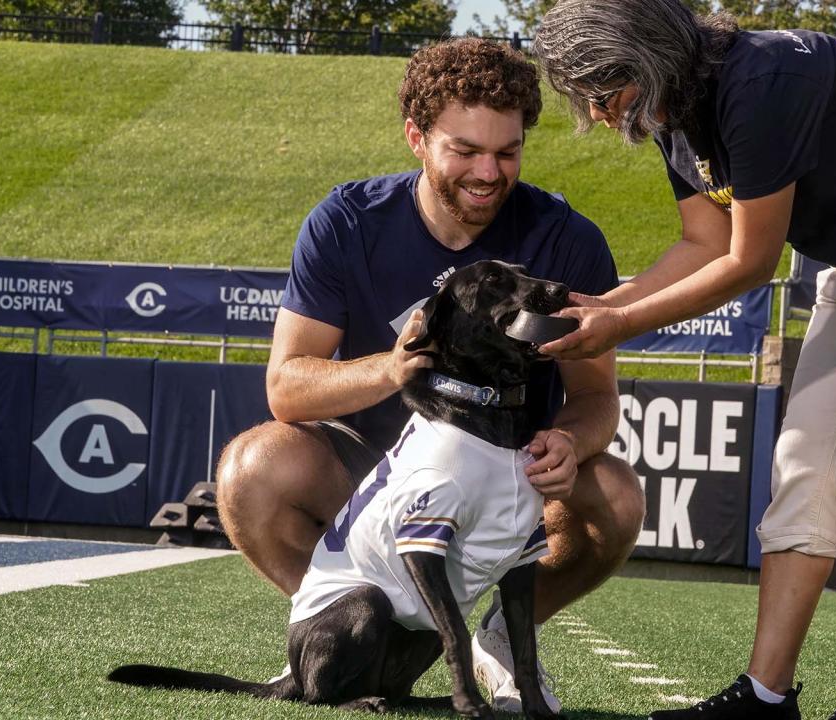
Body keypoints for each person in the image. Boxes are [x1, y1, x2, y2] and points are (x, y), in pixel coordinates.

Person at [534, 3, 836, 719]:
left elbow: (750, 261)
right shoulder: (677, 116)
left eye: (606, 94)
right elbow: (703, 242)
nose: (603, 117)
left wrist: (624, 322)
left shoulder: (759, 81)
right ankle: (765, 696)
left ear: (646, 58)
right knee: (801, 466)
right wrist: (605, 303)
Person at [213, 37, 644, 714]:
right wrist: (392, 367)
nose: (488, 171)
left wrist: (570, 442)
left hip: (504, 468)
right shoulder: (348, 221)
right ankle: (342, 635)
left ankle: (500, 638)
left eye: (506, 151)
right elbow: (287, 387)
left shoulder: (567, 237)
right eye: (465, 150)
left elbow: (595, 399)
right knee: (251, 467)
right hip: (370, 480)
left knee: (617, 497)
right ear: (416, 137)